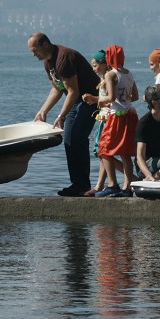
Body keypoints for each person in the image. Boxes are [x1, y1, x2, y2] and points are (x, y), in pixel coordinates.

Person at [28, 32, 101, 196]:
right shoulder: (48, 63)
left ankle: (83, 185)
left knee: (78, 138)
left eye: (35, 50)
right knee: (68, 139)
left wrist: (61, 115)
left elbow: (72, 91)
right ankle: (77, 184)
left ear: (45, 45)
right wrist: (43, 111)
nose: (33, 54)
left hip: (90, 100)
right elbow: (57, 88)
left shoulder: (63, 58)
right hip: (76, 100)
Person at [94, 45, 139, 197]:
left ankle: (112, 184)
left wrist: (100, 100)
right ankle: (127, 187)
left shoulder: (110, 75)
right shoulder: (129, 74)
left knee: (104, 150)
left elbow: (110, 98)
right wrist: (124, 99)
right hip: (130, 114)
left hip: (116, 116)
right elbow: (136, 96)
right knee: (125, 153)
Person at [82, 50, 110, 196]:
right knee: (102, 152)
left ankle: (106, 185)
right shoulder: (103, 79)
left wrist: (94, 99)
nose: (93, 69)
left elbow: (112, 99)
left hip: (108, 119)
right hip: (104, 118)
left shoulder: (109, 79)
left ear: (104, 65)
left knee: (102, 152)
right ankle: (100, 185)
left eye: (95, 65)